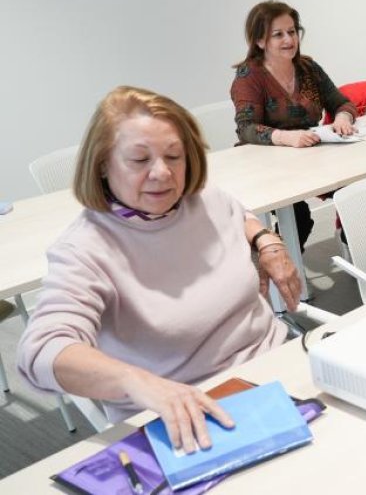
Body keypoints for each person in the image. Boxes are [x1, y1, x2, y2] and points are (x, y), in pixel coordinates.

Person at [17, 86, 301, 452]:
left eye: (174, 156)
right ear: (103, 163)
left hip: (278, 369)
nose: (162, 173)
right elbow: (40, 350)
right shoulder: (85, 249)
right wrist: (132, 380)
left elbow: (236, 212)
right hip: (189, 412)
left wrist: (265, 239)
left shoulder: (203, 200)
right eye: (139, 160)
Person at [230, 0, 357, 248]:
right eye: (278, 34)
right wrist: (286, 137)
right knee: (299, 219)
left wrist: (343, 117)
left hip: (311, 158)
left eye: (292, 32)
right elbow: (246, 127)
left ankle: (362, 258)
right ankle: (283, 278)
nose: (289, 39)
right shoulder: (249, 76)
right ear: (260, 41)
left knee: (355, 197)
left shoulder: (308, 68)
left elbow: (343, 103)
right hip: (267, 166)